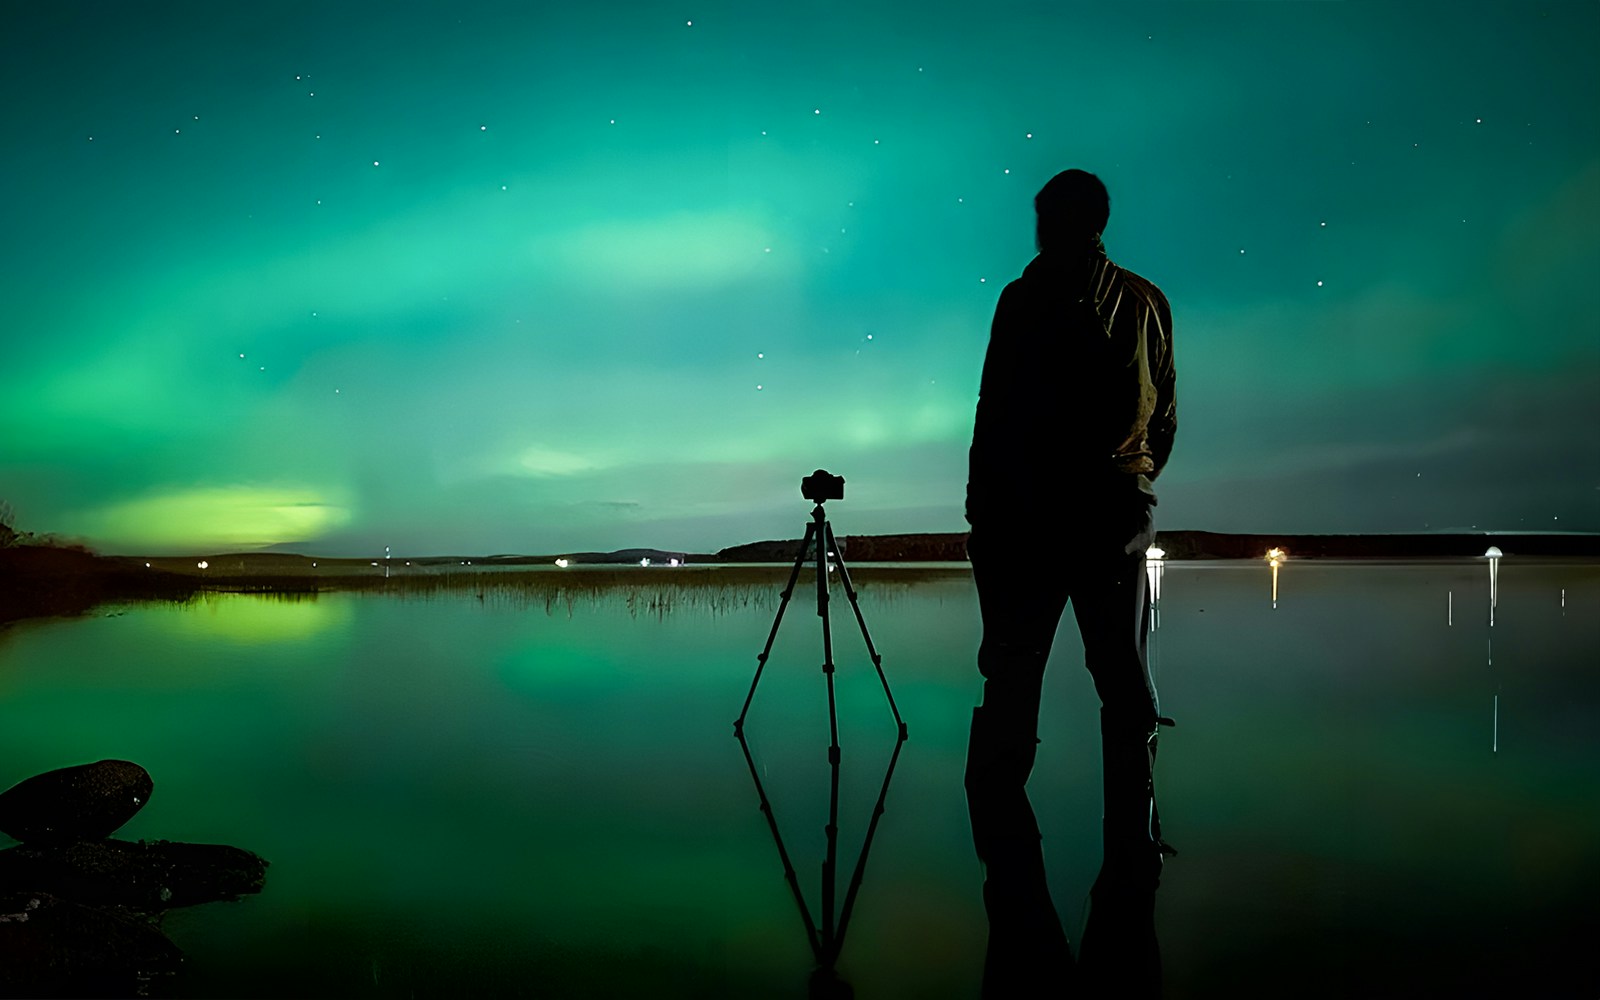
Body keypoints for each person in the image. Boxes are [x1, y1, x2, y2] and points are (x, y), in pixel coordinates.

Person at [963, 168, 1176, 993]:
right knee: (1123, 683)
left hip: (1030, 518)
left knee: (1015, 668)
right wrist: (1133, 478)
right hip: (1117, 510)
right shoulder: (1149, 299)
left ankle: (1003, 840)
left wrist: (985, 510)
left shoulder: (1023, 299)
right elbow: (1166, 417)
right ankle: (1134, 844)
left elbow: (995, 411)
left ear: (1052, 221)